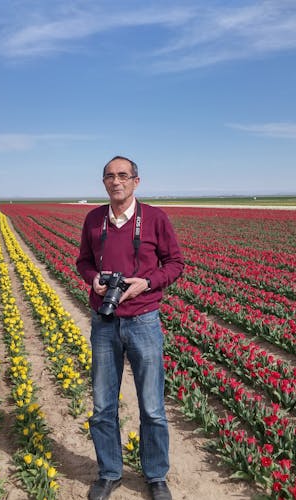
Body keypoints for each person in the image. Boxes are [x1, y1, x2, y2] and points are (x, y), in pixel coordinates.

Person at [76, 156, 184, 500]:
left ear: (136, 181)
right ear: (103, 182)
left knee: (152, 405)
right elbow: (84, 261)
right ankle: (109, 472)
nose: (116, 181)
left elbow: (176, 263)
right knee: (103, 404)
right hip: (105, 324)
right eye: (110, 176)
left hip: (144, 321)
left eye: (123, 175)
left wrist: (146, 283)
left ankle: (155, 476)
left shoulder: (154, 218)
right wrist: (94, 281)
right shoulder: (94, 219)